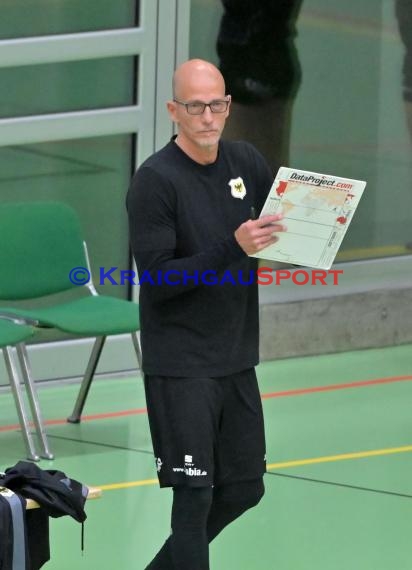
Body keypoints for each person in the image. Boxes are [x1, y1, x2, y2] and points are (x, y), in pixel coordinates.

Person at [126, 58, 285, 569]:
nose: (208, 117)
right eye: (195, 106)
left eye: (217, 104)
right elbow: (159, 280)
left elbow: (274, 228)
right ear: (174, 110)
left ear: (229, 105)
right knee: (192, 499)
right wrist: (232, 247)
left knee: (244, 488)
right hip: (182, 365)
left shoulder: (247, 162)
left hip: (236, 356)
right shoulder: (155, 181)